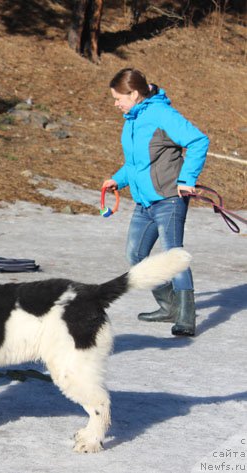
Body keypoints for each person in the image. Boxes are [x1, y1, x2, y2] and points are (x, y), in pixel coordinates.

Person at [102, 67, 209, 337]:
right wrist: (117, 179)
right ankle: (169, 306)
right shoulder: (132, 119)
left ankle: (186, 316)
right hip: (144, 203)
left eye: (118, 99)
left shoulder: (162, 114)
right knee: (136, 255)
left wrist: (187, 178)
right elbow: (135, 163)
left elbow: (198, 141)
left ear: (134, 94)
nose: (116, 104)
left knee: (174, 254)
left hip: (169, 198)